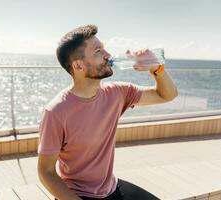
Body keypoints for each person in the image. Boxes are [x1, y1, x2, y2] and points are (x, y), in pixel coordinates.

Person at [37, 24, 178, 200]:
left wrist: (156, 69)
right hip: (76, 195)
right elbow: (46, 172)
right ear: (79, 66)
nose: (108, 55)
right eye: (98, 51)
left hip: (110, 187)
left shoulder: (117, 93)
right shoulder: (56, 111)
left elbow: (166, 95)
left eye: (104, 48)